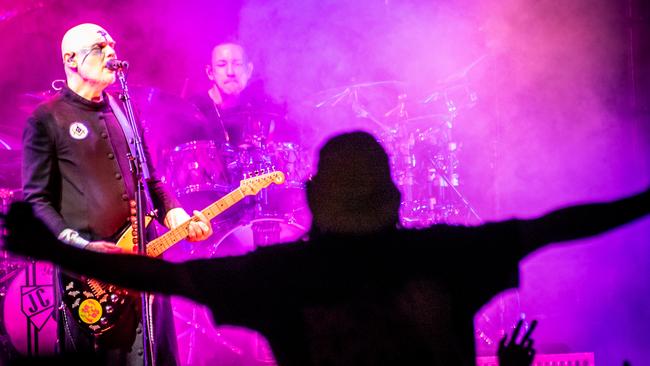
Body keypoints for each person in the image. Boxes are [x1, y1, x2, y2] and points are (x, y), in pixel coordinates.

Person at [5, 131, 649, 365]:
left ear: (311, 200)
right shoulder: (446, 255)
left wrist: (51, 250)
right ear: (395, 198)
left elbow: (163, 280)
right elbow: (559, 224)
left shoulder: (282, 274)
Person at [19, 23, 213, 365]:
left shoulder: (124, 110)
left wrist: (177, 216)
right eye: (100, 46)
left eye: (112, 44)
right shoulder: (46, 119)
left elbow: (151, 181)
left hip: (145, 264)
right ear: (71, 59)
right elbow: (37, 201)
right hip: (92, 278)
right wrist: (82, 248)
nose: (111, 52)